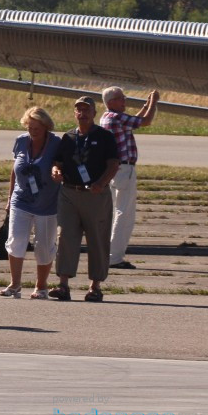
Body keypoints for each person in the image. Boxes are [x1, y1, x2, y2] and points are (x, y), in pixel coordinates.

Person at [48, 96, 119, 303]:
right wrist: (55, 171)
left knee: (97, 239)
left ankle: (95, 287)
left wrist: (102, 183)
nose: (82, 113)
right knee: (65, 238)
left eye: (86, 110)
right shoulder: (68, 137)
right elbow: (58, 162)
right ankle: (63, 285)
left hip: (95, 195)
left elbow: (114, 163)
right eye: (78, 109)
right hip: (69, 193)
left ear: (94, 113)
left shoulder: (105, 137)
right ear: (74, 113)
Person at [0, 107, 61, 299]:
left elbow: (61, 165)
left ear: (46, 127)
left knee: (44, 246)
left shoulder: (56, 143)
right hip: (21, 201)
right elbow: (14, 171)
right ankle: (15, 284)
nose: (33, 131)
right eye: (30, 127)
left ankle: (41, 286)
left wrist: (57, 171)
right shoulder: (21, 141)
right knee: (16, 241)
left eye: (37, 127)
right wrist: (9, 198)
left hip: (47, 204)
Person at [100, 86, 160, 270]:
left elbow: (136, 120)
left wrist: (146, 105)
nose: (124, 100)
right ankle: (114, 257)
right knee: (124, 215)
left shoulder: (107, 117)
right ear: (111, 102)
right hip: (124, 169)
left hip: (115, 171)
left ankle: (109, 254)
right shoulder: (117, 117)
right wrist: (154, 103)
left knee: (115, 212)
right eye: (120, 98)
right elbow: (146, 121)